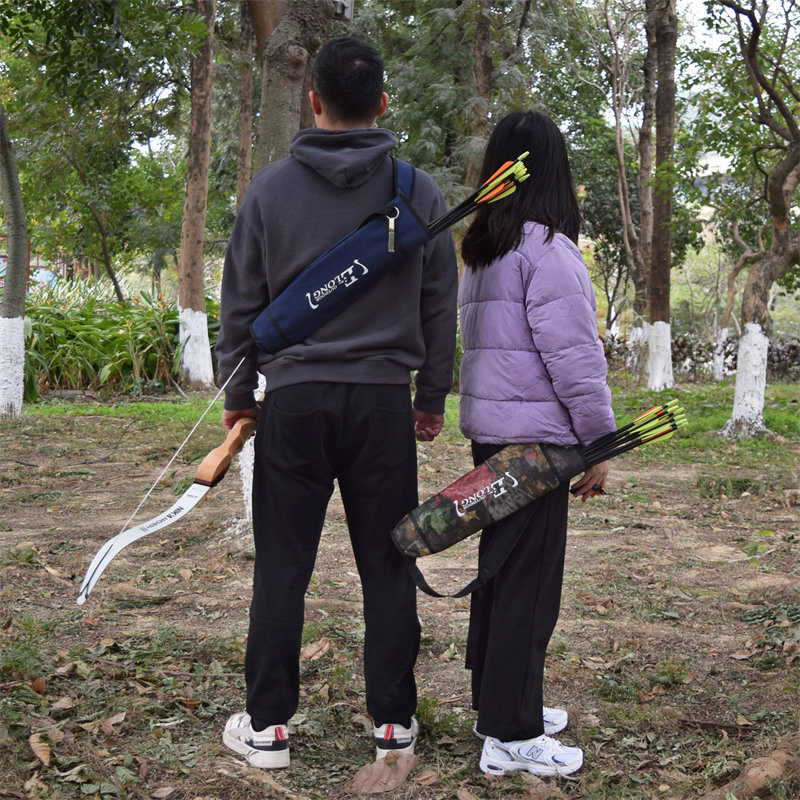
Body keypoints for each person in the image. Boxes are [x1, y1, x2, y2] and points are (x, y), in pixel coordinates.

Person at [214, 37, 458, 769]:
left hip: (294, 402)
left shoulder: (269, 191)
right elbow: (442, 304)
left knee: (282, 566)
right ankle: (392, 724)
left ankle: (267, 730)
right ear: (383, 103)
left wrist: (239, 394)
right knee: (389, 564)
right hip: (384, 405)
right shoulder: (418, 192)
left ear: (312, 101)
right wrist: (431, 396)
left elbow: (240, 304)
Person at [457, 110, 615, 778]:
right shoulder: (547, 250)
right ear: (556, 172)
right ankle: (512, 734)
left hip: (493, 434)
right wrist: (600, 444)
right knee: (528, 586)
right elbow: (575, 358)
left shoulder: (483, 248)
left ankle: (497, 704)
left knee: (502, 576)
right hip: (539, 443)